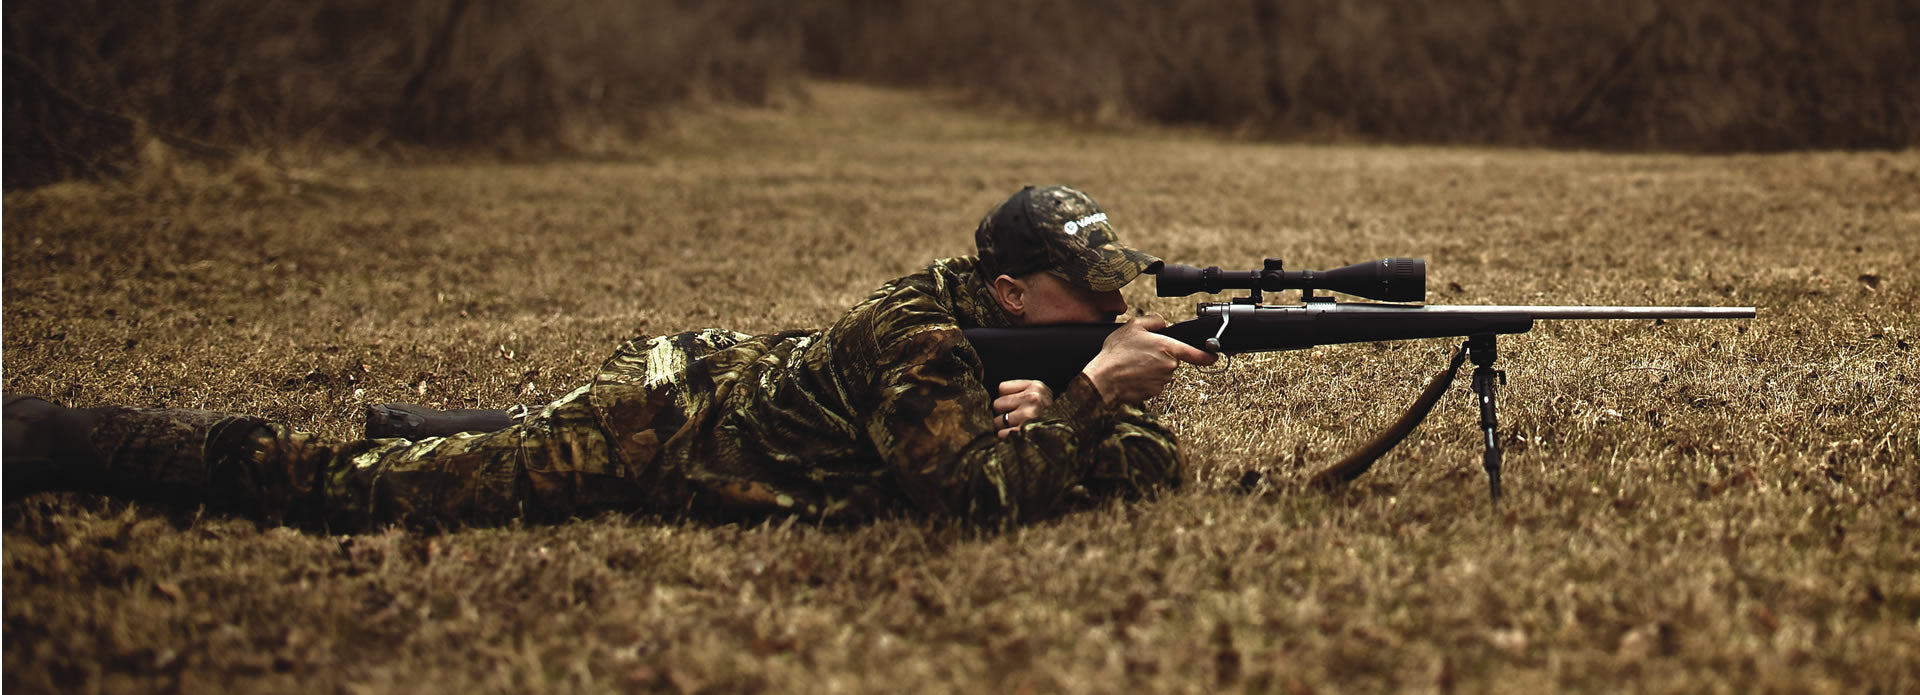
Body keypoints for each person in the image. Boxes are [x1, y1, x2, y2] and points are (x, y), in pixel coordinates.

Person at [3, 185, 1216, 531]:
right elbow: (969, 499)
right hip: (662, 431)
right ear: (1011, 288)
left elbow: (1145, 469)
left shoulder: (998, 334)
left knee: (488, 440)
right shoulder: (919, 339)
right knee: (350, 493)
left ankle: (458, 422)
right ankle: (64, 433)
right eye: (1088, 295)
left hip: (739, 384)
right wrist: (1092, 393)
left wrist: (1074, 397)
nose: (1112, 311)